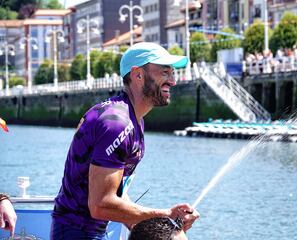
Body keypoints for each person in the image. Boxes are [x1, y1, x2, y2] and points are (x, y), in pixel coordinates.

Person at [50, 42, 199, 239]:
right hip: (76, 232)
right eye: (164, 73)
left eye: (172, 73)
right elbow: (100, 205)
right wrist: (164, 214)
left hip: (90, 231)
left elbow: (116, 193)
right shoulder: (117, 124)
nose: (173, 81)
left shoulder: (132, 119)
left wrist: (169, 228)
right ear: (138, 75)